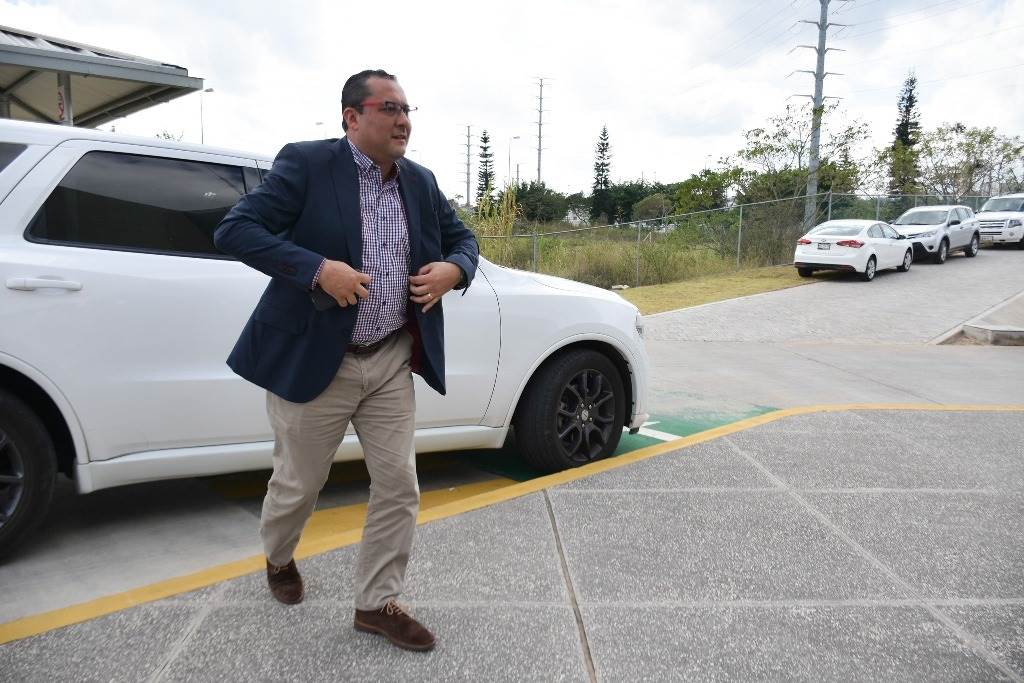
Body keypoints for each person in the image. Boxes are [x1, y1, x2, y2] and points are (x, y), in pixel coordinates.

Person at [213, 68, 479, 652]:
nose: (403, 119)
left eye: (408, 109)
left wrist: (456, 268)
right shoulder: (307, 164)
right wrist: (317, 269)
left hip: (389, 357)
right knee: (298, 485)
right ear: (351, 117)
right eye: (389, 107)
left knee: (399, 485)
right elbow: (235, 230)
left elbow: (464, 238)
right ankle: (279, 558)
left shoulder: (421, 182)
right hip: (317, 361)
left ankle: (375, 603)